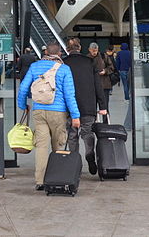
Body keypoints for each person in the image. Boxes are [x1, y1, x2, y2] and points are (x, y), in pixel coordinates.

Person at [17, 42, 80, 191]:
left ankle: (40, 180)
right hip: (58, 112)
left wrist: (22, 105)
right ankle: (56, 178)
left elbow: (24, 88)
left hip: (39, 111)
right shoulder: (64, 69)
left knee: (41, 147)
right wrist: (76, 116)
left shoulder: (34, 67)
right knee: (58, 146)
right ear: (59, 54)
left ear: (45, 52)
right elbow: (69, 95)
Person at [63, 38, 107, 175]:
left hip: (70, 106)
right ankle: (89, 154)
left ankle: (74, 162)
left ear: (67, 49)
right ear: (80, 48)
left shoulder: (64, 63)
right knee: (87, 133)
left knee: (72, 135)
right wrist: (103, 105)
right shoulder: (89, 62)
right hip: (88, 105)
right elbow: (97, 85)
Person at [89, 42, 114, 111]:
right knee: (92, 107)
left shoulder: (103, 56)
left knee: (105, 106)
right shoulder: (87, 58)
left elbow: (111, 67)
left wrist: (105, 71)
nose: (94, 52)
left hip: (104, 85)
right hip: (92, 86)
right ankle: (93, 120)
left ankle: (105, 121)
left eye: (96, 50)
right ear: (89, 50)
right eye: (93, 51)